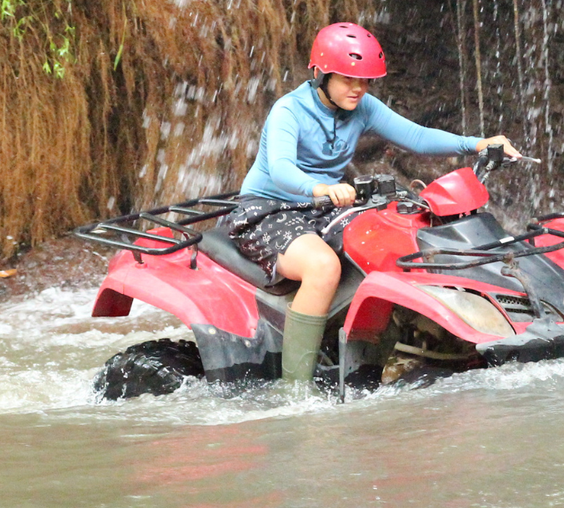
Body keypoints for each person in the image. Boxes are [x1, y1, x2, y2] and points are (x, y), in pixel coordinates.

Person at [223, 22, 521, 388]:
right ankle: (295, 389)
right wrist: (320, 188)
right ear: (321, 74)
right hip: (270, 209)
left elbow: (417, 137)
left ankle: (390, 355)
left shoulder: (362, 106)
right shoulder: (289, 111)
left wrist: (476, 144)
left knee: (391, 240)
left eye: (365, 81)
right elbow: (281, 170)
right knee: (323, 267)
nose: (359, 89)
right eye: (349, 79)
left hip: (322, 207)